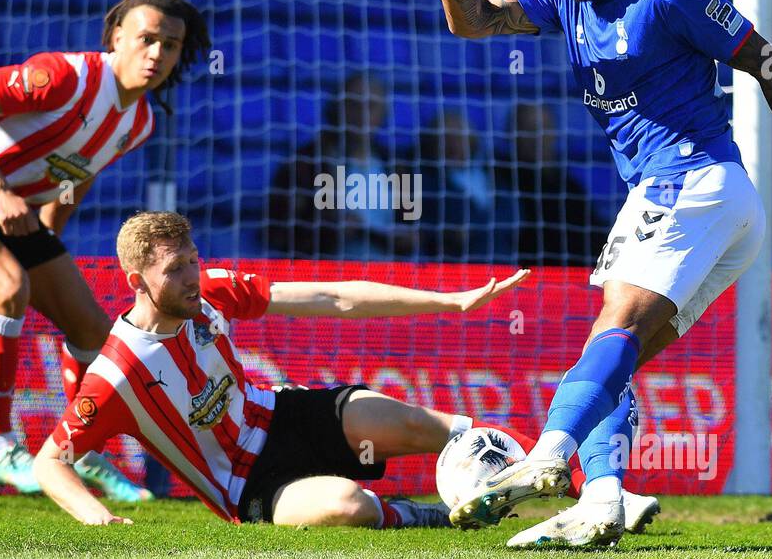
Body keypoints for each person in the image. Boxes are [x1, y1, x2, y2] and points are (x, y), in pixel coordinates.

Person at [436, 0, 772, 548]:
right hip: (683, 201)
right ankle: (603, 500)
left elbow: (768, 61)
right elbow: (473, 21)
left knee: (613, 331)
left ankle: (547, 459)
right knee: (614, 356)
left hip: (692, 185)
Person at [0, 0, 210, 500]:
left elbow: (75, 175)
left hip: (12, 215)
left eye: (169, 46)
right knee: (8, 287)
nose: (156, 54)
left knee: (93, 328)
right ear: (117, 38)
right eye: (146, 39)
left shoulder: (139, 123)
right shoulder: (65, 77)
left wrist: (49, 232)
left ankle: (79, 453)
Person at [36, 210, 524, 527]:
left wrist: (452, 301)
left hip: (281, 413)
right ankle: (432, 518)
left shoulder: (213, 292)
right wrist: (95, 516)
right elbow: (51, 460)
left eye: (193, 260)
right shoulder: (117, 373)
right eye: (174, 270)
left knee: (425, 425)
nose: (192, 278)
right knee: (347, 507)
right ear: (135, 281)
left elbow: (333, 297)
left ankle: (568, 478)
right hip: (246, 486)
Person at [266, 73, 415, 260]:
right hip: (325, 275)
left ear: (383, 113)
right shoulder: (305, 164)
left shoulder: (397, 166)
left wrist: (408, 238)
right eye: (353, 105)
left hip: (386, 276)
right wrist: (331, 232)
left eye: (371, 106)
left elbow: (411, 228)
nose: (362, 114)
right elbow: (277, 234)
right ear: (337, 108)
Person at [494, 103, 610, 266]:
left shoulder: (569, 186)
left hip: (574, 274)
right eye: (530, 130)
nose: (538, 137)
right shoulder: (499, 179)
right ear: (512, 134)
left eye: (544, 129)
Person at [417, 108, 498, 260]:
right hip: (450, 268)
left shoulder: (495, 174)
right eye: (446, 138)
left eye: (459, 138)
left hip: (499, 263)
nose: (453, 145)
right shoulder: (424, 183)